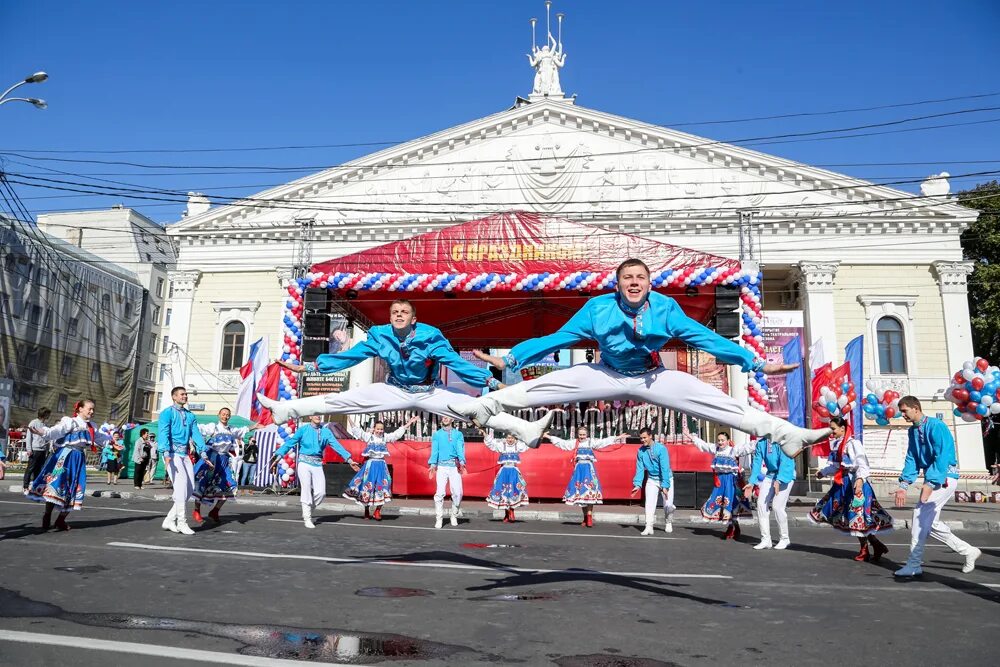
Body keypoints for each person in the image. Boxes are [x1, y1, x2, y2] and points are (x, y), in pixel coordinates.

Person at [452, 259, 829, 457]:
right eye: (627, 278)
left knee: (715, 402)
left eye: (640, 278)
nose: (634, 283)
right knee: (551, 385)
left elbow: (705, 337)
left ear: (649, 285)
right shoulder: (597, 309)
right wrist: (513, 358)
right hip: (608, 373)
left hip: (652, 377)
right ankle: (488, 405)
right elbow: (559, 338)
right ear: (618, 285)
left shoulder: (666, 309)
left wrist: (755, 363)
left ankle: (787, 434)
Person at [257, 299, 552, 446]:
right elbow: (352, 355)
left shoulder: (430, 336)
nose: (398, 315)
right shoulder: (380, 335)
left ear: (414, 319)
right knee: (344, 400)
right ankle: (286, 410)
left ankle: (524, 429)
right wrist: (313, 366)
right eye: (394, 312)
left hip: (429, 391)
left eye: (404, 312)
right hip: (393, 388)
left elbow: (455, 362)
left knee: (474, 408)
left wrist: (489, 381)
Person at [893, 396, 981, 577]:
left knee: (919, 515)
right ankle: (968, 551)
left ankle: (914, 564)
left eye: (904, 411)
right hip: (934, 477)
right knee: (930, 523)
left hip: (945, 476)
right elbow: (911, 459)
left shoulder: (937, 426)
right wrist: (903, 485)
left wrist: (930, 483)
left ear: (915, 408)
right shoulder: (913, 431)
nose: (902, 415)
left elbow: (942, 456)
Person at [809, 416, 892, 562]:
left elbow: (862, 464)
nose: (831, 432)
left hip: (855, 483)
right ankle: (875, 545)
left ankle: (866, 549)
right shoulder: (836, 444)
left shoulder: (853, 444)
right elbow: (836, 466)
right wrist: (823, 472)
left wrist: (859, 481)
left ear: (843, 428)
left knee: (858, 518)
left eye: (833, 429)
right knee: (851, 518)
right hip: (843, 484)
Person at [26, 399, 114, 530]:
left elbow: (100, 438)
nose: (92, 411)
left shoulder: (92, 426)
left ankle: (61, 519)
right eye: (89, 408)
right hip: (64, 457)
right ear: (80, 409)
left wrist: (112, 442)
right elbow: (57, 430)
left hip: (78, 458)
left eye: (93, 409)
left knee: (76, 487)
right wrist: (43, 432)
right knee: (55, 484)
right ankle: (47, 515)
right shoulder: (70, 421)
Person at [270, 415, 358, 528]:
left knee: (321, 492)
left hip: (317, 464)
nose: (318, 416)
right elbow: (290, 443)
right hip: (304, 462)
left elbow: (337, 446)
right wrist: (278, 455)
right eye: (315, 414)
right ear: (310, 416)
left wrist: (349, 460)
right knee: (306, 489)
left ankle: (309, 509)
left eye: (319, 414)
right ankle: (307, 517)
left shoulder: (326, 432)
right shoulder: (303, 430)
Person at [545, 426, 628, 528]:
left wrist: (617, 437)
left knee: (589, 492)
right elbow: (562, 443)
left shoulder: (591, 442)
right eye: (580, 435)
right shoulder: (575, 443)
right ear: (577, 435)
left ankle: (589, 517)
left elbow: (604, 442)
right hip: (579, 470)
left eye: (584, 435)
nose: (582, 437)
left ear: (587, 435)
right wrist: (548, 437)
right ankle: (585, 517)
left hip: (589, 469)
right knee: (581, 494)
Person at [343, 415, 418, 519]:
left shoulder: (385, 437)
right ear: (374, 429)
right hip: (370, 465)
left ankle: (378, 511)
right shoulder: (369, 436)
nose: (379, 431)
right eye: (378, 429)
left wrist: (409, 423)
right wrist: (348, 418)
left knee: (383, 487)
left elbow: (396, 434)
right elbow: (357, 430)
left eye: (381, 429)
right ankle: (366, 510)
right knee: (367, 487)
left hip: (382, 465)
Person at [192, 408, 259, 524]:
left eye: (227, 415)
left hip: (223, 461)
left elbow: (242, 430)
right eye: (223, 414)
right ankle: (196, 510)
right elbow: (199, 428)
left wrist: (254, 426)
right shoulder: (213, 427)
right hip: (211, 458)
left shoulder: (231, 429)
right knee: (202, 483)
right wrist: (188, 425)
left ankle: (215, 511)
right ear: (218, 415)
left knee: (230, 485)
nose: (225, 416)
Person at [157, 386, 208, 536]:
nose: (185, 396)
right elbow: (163, 432)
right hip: (171, 454)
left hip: (184, 454)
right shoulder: (167, 413)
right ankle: (182, 522)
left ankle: (169, 520)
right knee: (180, 488)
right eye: (182, 394)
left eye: (186, 394)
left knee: (190, 489)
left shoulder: (190, 415)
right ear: (174, 397)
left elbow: (196, 434)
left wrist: (203, 452)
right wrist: (165, 452)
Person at [687, 432, 753, 539]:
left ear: (727, 441)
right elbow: (704, 445)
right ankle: (731, 526)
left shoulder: (733, 450)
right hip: (720, 480)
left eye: (723, 440)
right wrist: (692, 437)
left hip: (732, 481)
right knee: (719, 502)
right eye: (719, 440)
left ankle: (732, 527)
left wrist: (760, 441)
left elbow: (747, 447)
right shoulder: (716, 449)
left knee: (731, 504)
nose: (720, 442)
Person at [745, 437, 796, 550]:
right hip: (770, 475)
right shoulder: (762, 443)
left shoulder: (783, 441)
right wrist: (751, 482)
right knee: (761, 504)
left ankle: (784, 538)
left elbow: (786, 461)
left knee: (777, 507)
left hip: (786, 475)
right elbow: (757, 462)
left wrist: (779, 480)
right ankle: (766, 540)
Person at [630, 427, 675, 535]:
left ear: (650, 436)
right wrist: (637, 485)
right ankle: (649, 526)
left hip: (666, 478)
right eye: (641, 438)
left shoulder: (661, 449)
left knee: (668, 505)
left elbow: (665, 468)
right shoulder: (640, 451)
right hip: (652, 479)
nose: (643, 440)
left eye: (644, 437)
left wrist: (665, 485)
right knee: (649, 504)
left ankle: (668, 522)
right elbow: (640, 468)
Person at [482, 428, 530, 523]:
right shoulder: (501, 445)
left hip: (513, 472)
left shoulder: (518, 446)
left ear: (515, 439)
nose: (510, 440)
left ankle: (511, 511)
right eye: (508, 438)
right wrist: (484, 434)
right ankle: (506, 514)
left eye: (512, 438)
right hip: (504, 471)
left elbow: (529, 444)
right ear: (505, 438)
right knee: (503, 492)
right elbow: (490, 444)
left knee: (513, 491)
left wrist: (538, 435)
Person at [428, 416, 467, 529]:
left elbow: (460, 448)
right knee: (439, 493)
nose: (445, 418)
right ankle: (439, 518)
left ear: (452, 420)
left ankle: (454, 515)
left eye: (447, 416)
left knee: (458, 493)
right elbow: (435, 450)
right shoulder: (437, 434)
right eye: (443, 416)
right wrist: (432, 464)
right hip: (441, 466)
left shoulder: (458, 434)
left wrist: (462, 461)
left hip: (454, 466)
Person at [23, 408, 52, 493]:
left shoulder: (45, 424)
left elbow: (46, 437)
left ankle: (35, 487)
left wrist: (47, 449)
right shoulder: (33, 422)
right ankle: (25, 487)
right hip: (34, 449)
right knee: (30, 469)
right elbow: (29, 437)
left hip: (43, 450)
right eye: (48, 414)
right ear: (44, 414)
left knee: (39, 470)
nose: (49, 416)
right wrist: (29, 449)